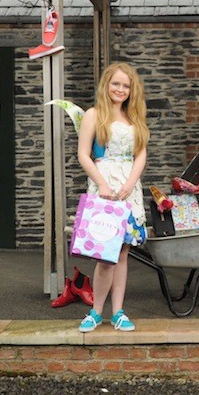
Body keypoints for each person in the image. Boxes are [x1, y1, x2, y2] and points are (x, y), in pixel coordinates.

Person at [77, 62, 149, 333]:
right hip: (104, 185)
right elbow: (83, 154)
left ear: (132, 90)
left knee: (122, 254)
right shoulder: (95, 115)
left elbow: (140, 154)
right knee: (104, 254)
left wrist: (131, 183)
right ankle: (96, 312)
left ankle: (118, 312)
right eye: (116, 84)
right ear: (106, 85)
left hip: (129, 189)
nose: (120, 89)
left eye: (126, 85)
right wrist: (102, 184)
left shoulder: (135, 117)